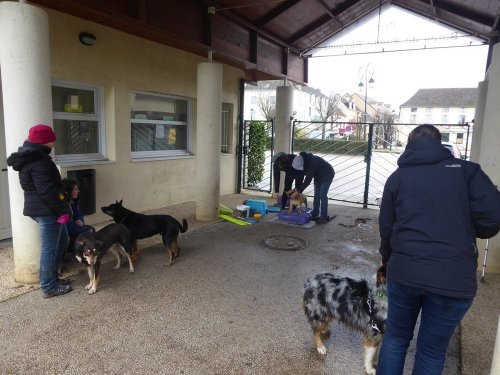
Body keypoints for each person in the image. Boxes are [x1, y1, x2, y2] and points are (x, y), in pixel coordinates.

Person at [377, 124, 500, 375]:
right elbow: (492, 220)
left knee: (396, 339)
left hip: (405, 272)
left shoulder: (397, 178)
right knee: (432, 350)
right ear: (439, 142)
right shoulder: (468, 172)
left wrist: (387, 262)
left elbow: (386, 229)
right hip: (453, 279)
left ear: (409, 145)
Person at [7, 124, 73, 299]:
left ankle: (52, 278)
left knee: (63, 240)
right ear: (44, 141)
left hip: (42, 208)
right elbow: (46, 191)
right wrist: (61, 210)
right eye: (51, 141)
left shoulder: (32, 158)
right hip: (47, 210)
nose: (53, 144)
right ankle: (49, 286)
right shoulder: (39, 162)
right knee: (50, 248)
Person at [290, 151, 335, 224]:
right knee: (316, 195)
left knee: (322, 195)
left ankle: (324, 217)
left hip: (327, 174)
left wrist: (298, 192)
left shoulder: (311, 163)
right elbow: (301, 177)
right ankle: (315, 213)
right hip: (318, 176)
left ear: (302, 163)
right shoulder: (304, 161)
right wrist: (297, 189)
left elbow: (307, 181)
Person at [62, 178, 94, 257]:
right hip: (66, 229)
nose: (78, 191)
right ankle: (85, 254)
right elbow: (67, 226)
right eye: (75, 189)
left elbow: (78, 214)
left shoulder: (71, 202)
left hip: (71, 226)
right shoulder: (63, 204)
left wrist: (80, 220)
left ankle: (72, 252)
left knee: (83, 229)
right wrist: (77, 224)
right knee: (90, 230)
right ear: (68, 191)